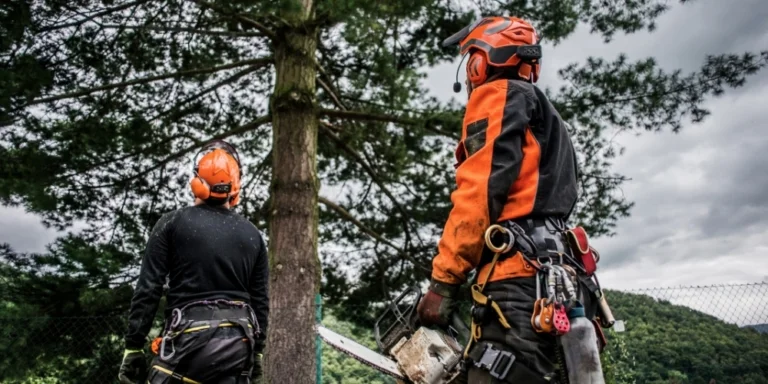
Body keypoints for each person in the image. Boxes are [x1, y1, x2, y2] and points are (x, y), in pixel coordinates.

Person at [416, 16, 600, 383]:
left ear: (481, 61)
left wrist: (442, 282)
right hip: (561, 282)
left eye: (471, 60)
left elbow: (478, 193)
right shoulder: (549, 118)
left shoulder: (498, 95)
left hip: (518, 284)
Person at [118, 140, 269, 384]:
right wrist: (258, 353)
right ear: (235, 187)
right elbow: (260, 300)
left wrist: (133, 347)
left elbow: (148, 289)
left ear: (196, 182)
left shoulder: (171, 223)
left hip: (188, 341)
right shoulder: (253, 235)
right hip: (240, 347)